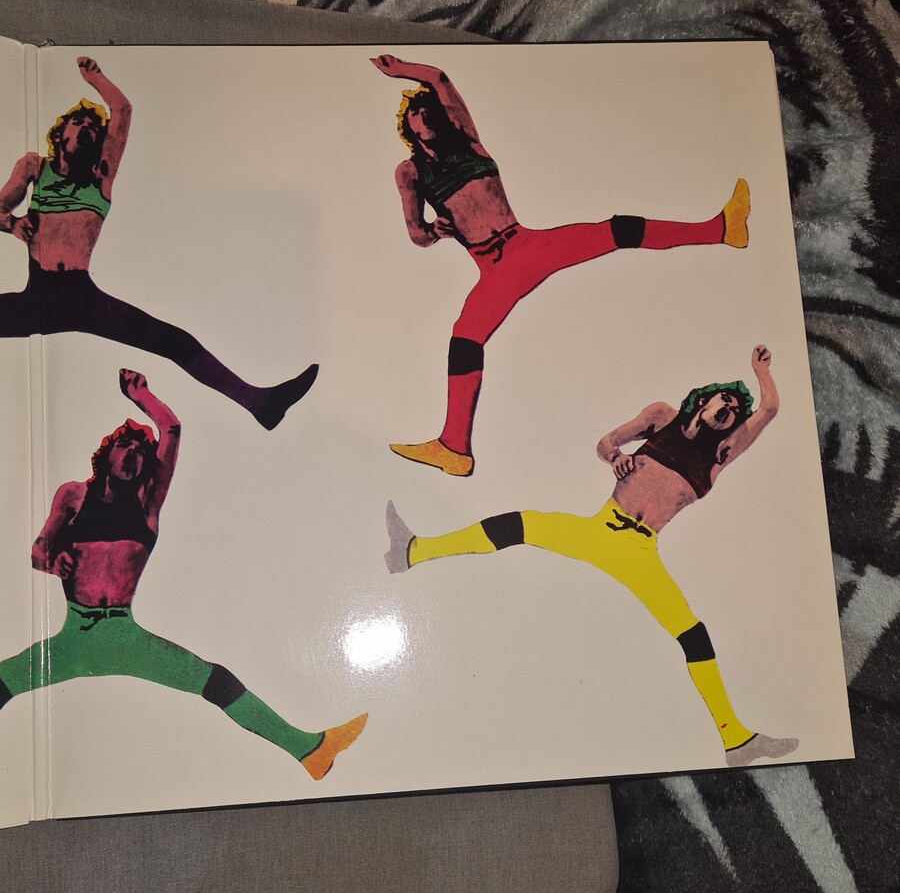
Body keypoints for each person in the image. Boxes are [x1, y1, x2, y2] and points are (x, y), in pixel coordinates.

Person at [385, 345, 797, 768]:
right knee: (524, 524)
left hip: (640, 552)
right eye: (725, 399)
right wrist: (616, 457)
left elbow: (768, 410)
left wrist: (761, 371)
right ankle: (413, 551)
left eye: (735, 410)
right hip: (601, 530)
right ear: (704, 399)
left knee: (692, 634)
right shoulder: (663, 417)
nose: (729, 410)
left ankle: (735, 739)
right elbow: (606, 443)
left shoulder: (721, 453)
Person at [372, 53, 752, 478]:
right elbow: (416, 234)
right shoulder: (410, 173)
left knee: (614, 230)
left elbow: (441, 78)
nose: (427, 115)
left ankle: (722, 228)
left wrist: (401, 68)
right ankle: (455, 448)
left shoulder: (467, 141)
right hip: (494, 266)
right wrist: (435, 230)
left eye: (431, 109)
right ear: (408, 124)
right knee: (465, 338)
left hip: (527, 244)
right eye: (417, 111)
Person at [0, 369, 366, 779]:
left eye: (141, 451)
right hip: (74, 639)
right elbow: (38, 550)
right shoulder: (73, 495)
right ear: (107, 452)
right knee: (3, 679)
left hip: (126, 638)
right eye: (125, 445)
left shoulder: (147, 504)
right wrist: (53, 562)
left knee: (214, 680)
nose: (133, 454)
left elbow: (171, 429)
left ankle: (310, 750)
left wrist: (143, 396)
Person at [0, 56, 317, 429]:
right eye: (78, 122)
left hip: (84, 300)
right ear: (59, 134)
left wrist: (96, 78)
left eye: (92, 126)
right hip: (39, 297)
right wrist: (13, 222)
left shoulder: (101, 177)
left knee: (173, 341)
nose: (86, 128)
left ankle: (260, 402)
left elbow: (122, 110)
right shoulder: (36, 167)